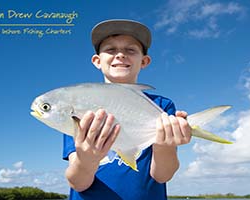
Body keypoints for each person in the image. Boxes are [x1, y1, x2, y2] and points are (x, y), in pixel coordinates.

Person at [62, 19, 192, 200]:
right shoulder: (82, 107)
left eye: (130, 50)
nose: (120, 55)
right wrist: (87, 160)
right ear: (97, 61)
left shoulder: (161, 106)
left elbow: (162, 175)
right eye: (111, 50)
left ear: (144, 61)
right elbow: (78, 182)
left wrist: (164, 146)